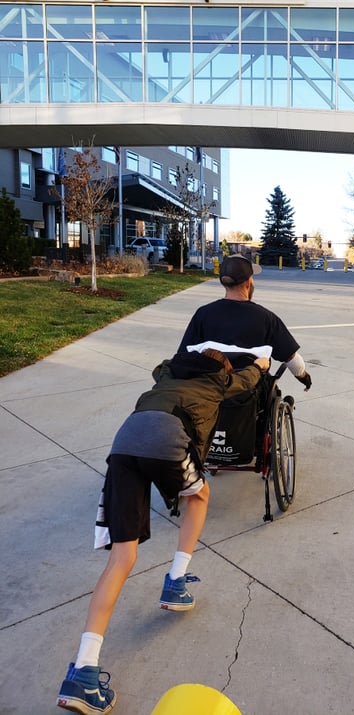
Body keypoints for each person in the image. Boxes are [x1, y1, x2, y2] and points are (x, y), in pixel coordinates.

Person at [57, 348, 270, 715]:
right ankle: (176, 580)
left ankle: (83, 672)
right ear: (221, 369)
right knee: (200, 495)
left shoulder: (166, 376)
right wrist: (260, 364)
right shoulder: (220, 380)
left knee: (122, 557)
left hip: (123, 444)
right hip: (167, 439)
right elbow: (250, 379)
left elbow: (163, 365)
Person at [178, 254, 312, 391]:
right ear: (248, 283)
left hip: (209, 394)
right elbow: (291, 359)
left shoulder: (203, 314)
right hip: (250, 395)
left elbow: (183, 355)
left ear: (224, 283)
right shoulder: (266, 318)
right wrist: (305, 378)